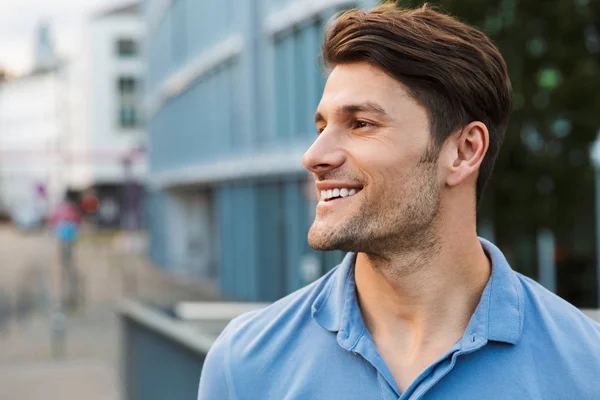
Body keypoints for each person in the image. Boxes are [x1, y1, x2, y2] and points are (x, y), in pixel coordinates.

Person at [198, 4, 600, 399]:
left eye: (361, 124)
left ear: (463, 151)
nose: (314, 155)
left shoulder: (586, 368)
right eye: (321, 126)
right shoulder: (243, 364)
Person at [49, 192, 83, 311]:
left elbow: (53, 221)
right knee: (68, 267)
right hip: (68, 239)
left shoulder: (62, 209)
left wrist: (55, 229)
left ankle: (66, 297)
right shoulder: (72, 209)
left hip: (65, 239)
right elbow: (78, 222)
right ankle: (67, 296)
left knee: (65, 267)